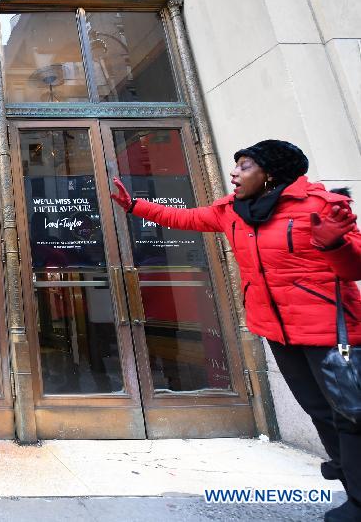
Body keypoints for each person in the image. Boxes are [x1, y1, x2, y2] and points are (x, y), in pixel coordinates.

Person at [111, 139, 361, 522]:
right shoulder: (232, 211)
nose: (235, 173)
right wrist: (134, 206)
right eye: (237, 165)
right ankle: (351, 485)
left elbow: (353, 268)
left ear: (270, 173)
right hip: (278, 331)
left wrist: (334, 244)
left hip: (329, 331)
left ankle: (358, 501)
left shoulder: (321, 206)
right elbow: (185, 218)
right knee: (319, 412)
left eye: (245, 166)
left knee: (349, 415)